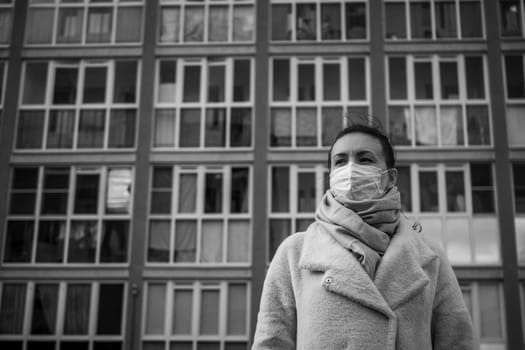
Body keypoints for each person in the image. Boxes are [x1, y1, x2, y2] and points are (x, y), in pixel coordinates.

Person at [252, 123, 475, 349]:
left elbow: (458, 342)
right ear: (331, 175)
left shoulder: (429, 257)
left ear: (390, 177)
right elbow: (271, 343)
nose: (350, 169)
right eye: (340, 161)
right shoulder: (294, 253)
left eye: (365, 159)